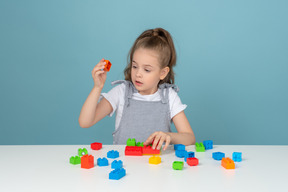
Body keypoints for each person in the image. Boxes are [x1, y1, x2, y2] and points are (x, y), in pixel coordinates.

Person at [79, 28, 195, 151]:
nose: (138, 74)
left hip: (158, 167)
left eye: (147, 70)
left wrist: (169, 136)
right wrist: (97, 87)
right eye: (135, 66)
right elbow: (85, 122)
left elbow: (190, 138)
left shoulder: (169, 97)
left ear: (163, 73)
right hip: (125, 166)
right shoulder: (122, 92)